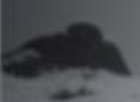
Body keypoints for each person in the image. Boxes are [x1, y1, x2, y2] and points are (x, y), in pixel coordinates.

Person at [3, 22, 132, 78]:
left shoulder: (107, 49)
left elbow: (123, 76)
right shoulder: (57, 42)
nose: (82, 39)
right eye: (79, 35)